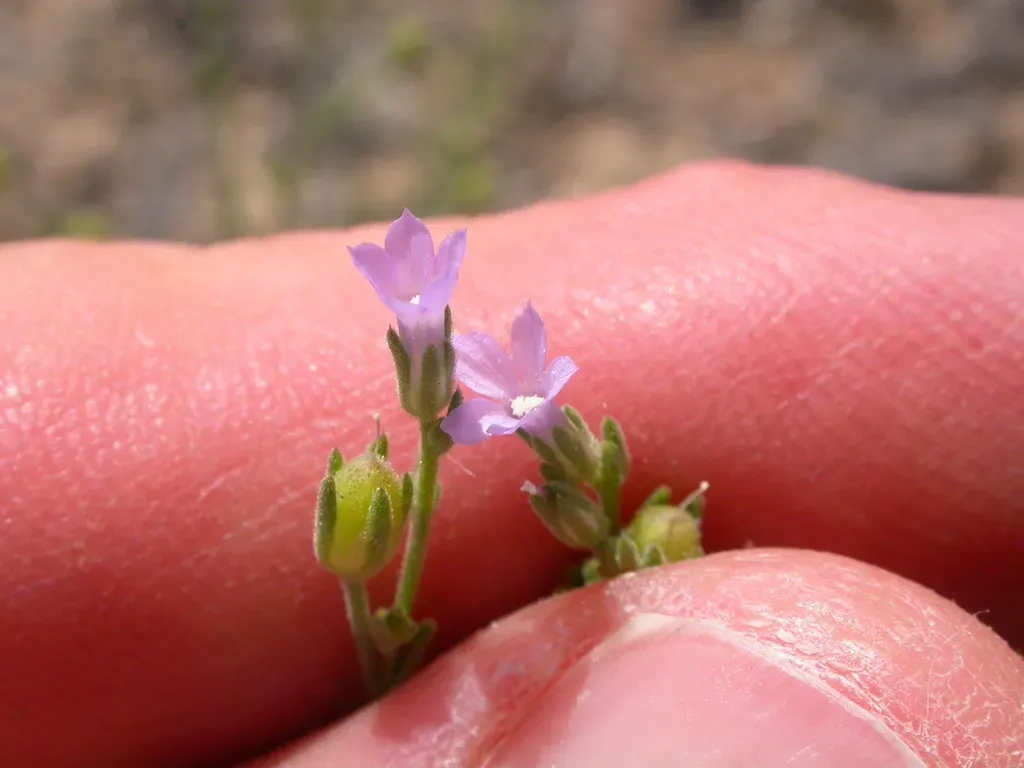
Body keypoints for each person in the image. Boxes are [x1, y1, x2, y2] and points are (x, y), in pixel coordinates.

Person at [1, 162, 1021, 767]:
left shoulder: (506, 421)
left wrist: (510, 426)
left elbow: (511, 418)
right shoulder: (461, 416)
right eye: (418, 318)